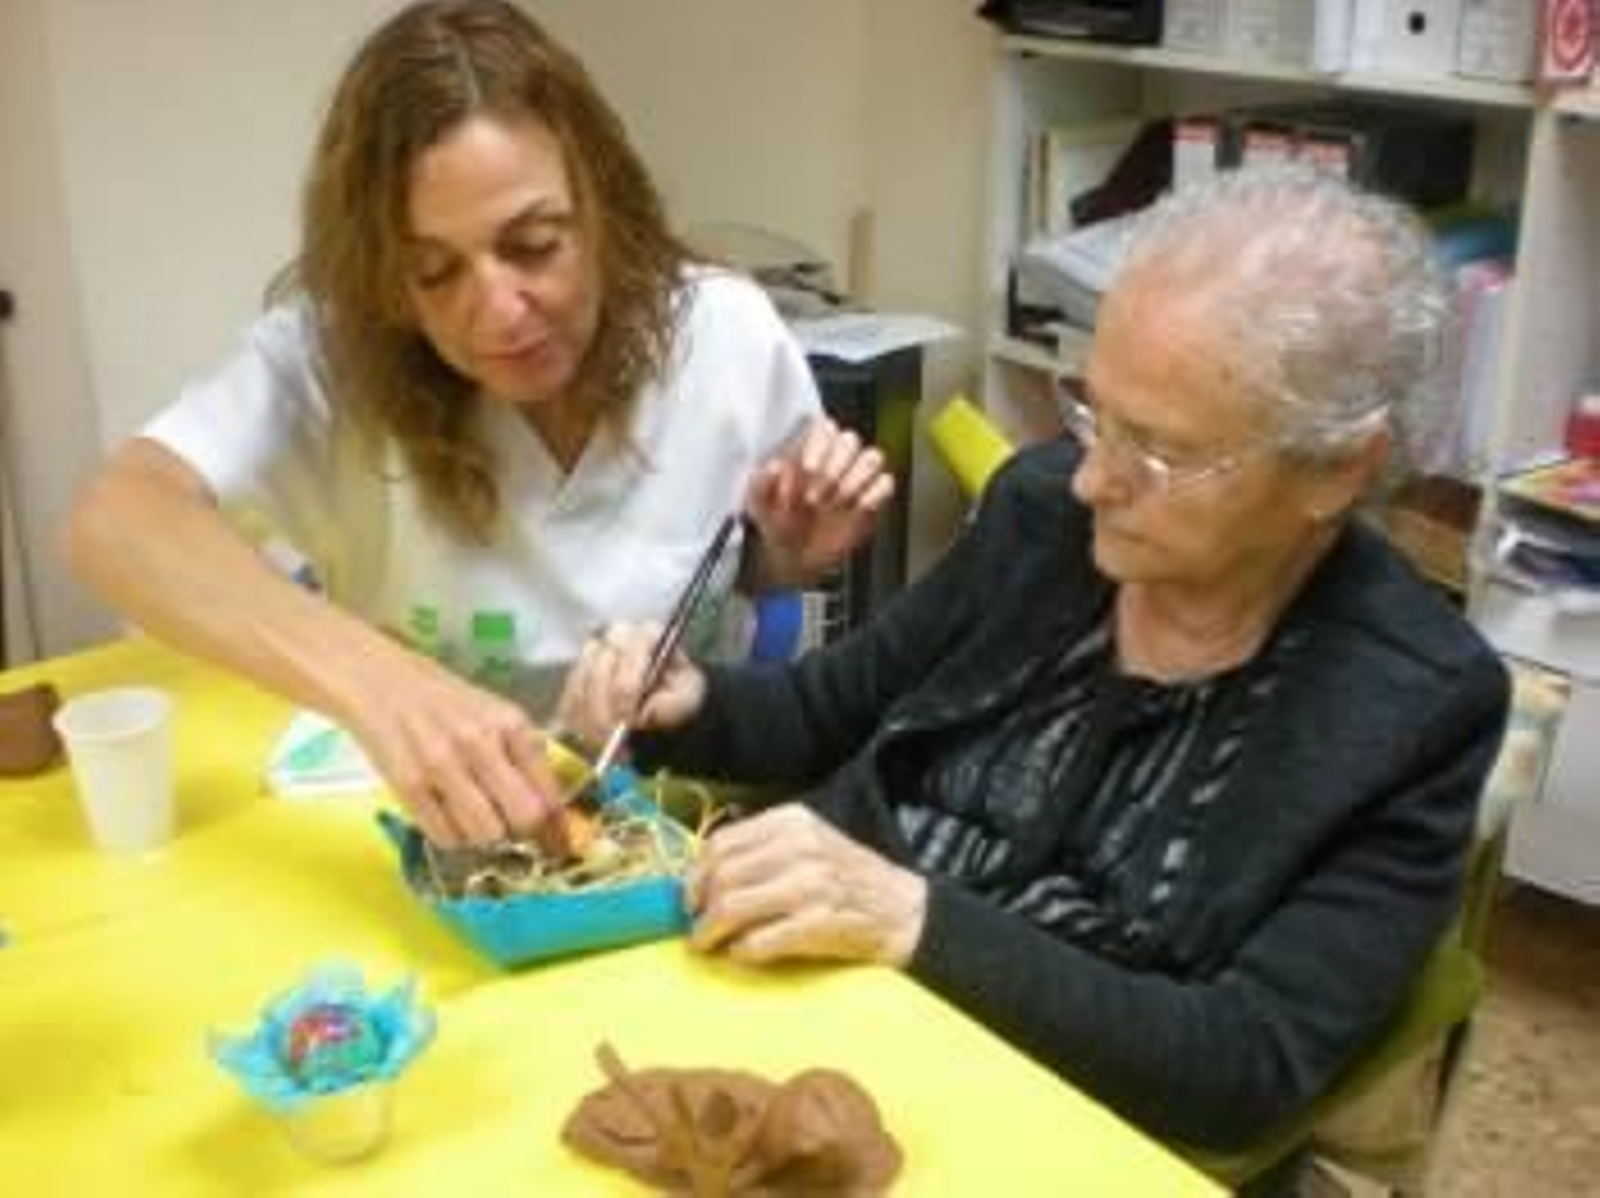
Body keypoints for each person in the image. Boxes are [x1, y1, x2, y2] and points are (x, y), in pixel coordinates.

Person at [556, 168, 1511, 1153]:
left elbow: (1243, 1065)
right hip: (813, 1026)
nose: (1093, 479)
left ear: (1339, 468)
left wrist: (906, 918)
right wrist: (688, 703)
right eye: (1093, 412)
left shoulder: (1412, 706)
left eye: (1161, 452)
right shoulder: (1040, 511)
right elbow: (826, 709)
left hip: (1051, 1132)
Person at [62, 0, 890, 854]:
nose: (497, 311)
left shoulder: (723, 336)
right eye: (434, 271)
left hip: (694, 835)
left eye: (533, 245)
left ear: (606, 207)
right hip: (451, 859)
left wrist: (788, 556)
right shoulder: (334, 362)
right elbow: (117, 520)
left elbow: (734, 568)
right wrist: (387, 691)